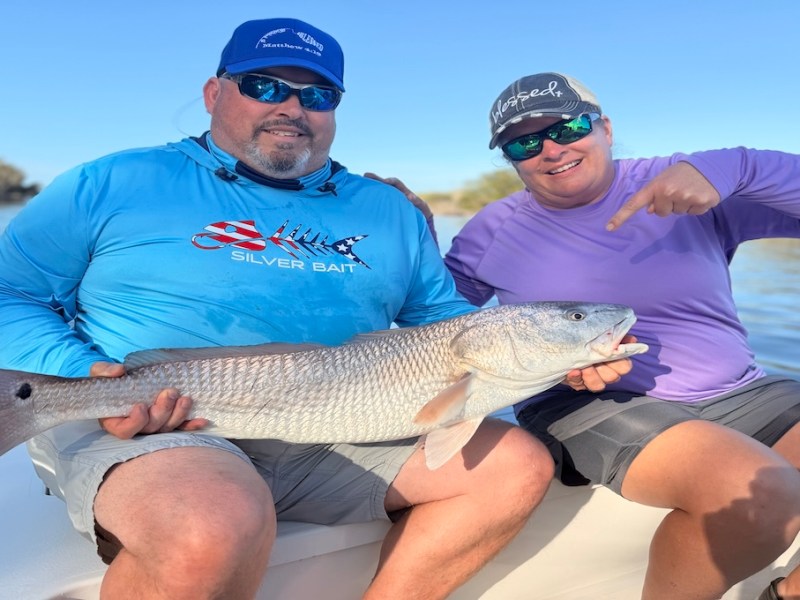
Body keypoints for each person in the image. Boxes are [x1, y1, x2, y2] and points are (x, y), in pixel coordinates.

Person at [0, 20, 566, 598]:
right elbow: (9, 292)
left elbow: (441, 324)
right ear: (214, 93)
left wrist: (556, 352)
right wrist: (85, 377)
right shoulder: (115, 180)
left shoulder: (386, 210)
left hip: (338, 419)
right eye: (265, 86)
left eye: (317, 95)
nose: (292, 108)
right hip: (149, 421)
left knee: (514, 467)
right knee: (208, 524)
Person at [435, 72, 800, 600]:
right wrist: (407, 235)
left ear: (603, 127)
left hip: (742, 393)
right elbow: (431, 328)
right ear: (511, 159)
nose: (551, 149)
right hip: (585, 401)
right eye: (524, 141)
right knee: (763, 494)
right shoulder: (491, 230)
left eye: (568, 126)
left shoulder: (686, 185)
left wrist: (733, 167)